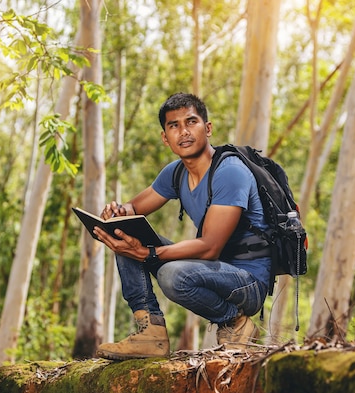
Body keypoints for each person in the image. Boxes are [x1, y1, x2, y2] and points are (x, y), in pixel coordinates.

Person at [93, 93, 271, 360]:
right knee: (123, 229)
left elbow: (210, 247)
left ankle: (235, 322)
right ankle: (150, 332)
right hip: (212, 270)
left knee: (172, 275)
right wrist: (116, 212)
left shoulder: (229, 171)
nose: (183, 132)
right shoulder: (175, 173)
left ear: (207, 128)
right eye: (174, 125)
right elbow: (133, 209)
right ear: (165, 137)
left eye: (191, 122)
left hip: (247, 283)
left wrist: (149, 254)